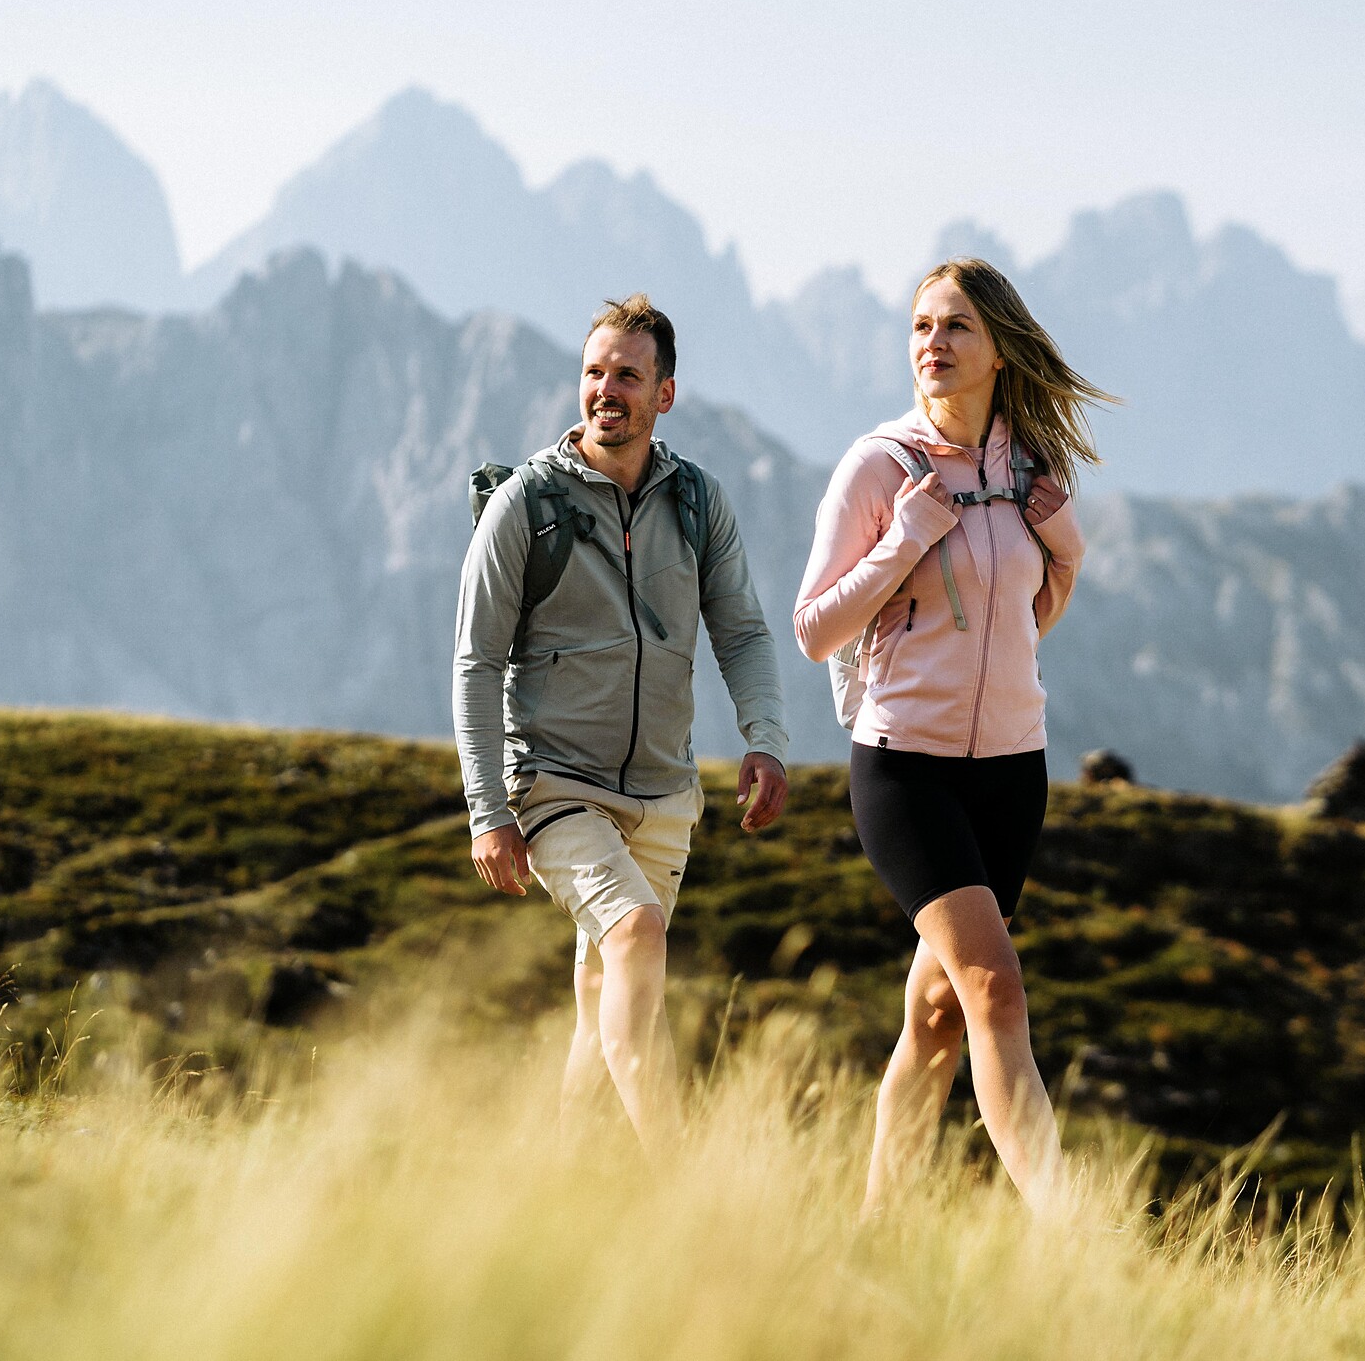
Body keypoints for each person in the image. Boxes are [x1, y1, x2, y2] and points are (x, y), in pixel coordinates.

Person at [793, 258, 1107, 1216]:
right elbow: (814, 628)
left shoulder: (1027, 473)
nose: (932, 342)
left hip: (1014, 772)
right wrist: (905, 539)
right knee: (996, 992)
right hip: (906, 771)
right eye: (922, 326)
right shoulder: (880, 466)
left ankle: (876, 1228)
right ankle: (1076, 1240)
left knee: (935, 1017)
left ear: (1000, 348)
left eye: (956, 326)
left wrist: (1069, 546)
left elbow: (1033, 609)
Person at [453, 293, 790, 1156]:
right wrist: (488, 809)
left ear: (664, 394)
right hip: (557, 785)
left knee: (608, 988)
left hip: (665, 798)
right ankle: (678, 1184)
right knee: (636, 937)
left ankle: (556, 1182)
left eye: (628, 376)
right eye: (595, 373)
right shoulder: (525, 505)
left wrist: (765, 740)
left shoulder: (696, 502)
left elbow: (743, 629)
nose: (608, 390)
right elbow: (476, 661)